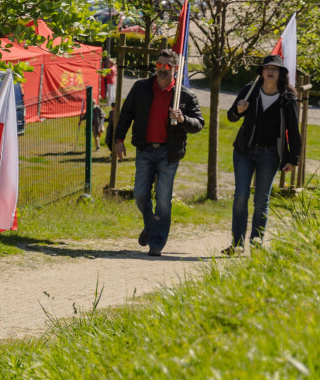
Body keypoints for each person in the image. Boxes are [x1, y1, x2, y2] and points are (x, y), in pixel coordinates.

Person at [112, 49, 205, 257]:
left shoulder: (185, 95)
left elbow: (199, 124)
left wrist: (183, 119)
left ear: (175, 69)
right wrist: (119, 140)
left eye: (167, 66)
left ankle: (156, 243)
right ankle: (150, 225)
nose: (162, 69)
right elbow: (126, 114)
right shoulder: (141, 88)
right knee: (140, 195)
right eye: (159, 65)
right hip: (145, 149)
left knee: (163, 200)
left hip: (168, 153)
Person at [224, 54, 301, 254]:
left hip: (270, 154)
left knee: (261, 200)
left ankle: (256, 242)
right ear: (262, 72)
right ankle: (237, 243)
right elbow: (231, 116)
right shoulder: (250, 90)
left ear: (281, 74)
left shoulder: (288, 98)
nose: (270, 71)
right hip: (244, 151)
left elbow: (294, 130)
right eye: (267, 68)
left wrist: (293, 158)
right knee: (240, 196)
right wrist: (239, 111)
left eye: (275, 69)